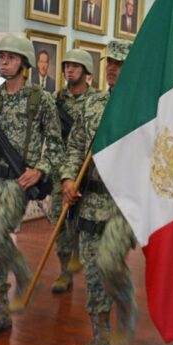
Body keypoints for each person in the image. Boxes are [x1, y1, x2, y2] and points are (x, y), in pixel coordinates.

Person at [0, 35, 63, 338]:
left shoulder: (40, 99)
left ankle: (22, 272)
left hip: (19, 181)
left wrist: (40, 170)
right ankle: (0, 311)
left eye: (10, 57)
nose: (3, 62)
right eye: (0, 57)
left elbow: (58, 147)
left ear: (24, 63)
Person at [61, 40, 138, 345]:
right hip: (91, 200)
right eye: (110, 64)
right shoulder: (91, 106)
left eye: (119, 64)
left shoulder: (143, 109)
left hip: (125, 203)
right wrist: (67, 177)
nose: (112, 69)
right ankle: (99, 339)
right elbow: (76, 146)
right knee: (93, 274)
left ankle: (126, 301)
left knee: (108, 264)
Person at [50, 48, 100, 294]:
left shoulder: (97, 100)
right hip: (62, 169)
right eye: (67, 65)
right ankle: (64, 272)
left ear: (86, 71)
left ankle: (91, 269)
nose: (70, 70)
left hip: (90, 171)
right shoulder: (55, 100)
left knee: (87, 223)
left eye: (75, 66)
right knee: (60, 223)